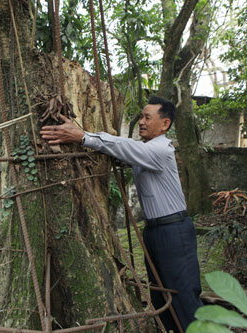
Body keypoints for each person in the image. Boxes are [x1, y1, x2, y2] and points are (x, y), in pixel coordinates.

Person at [40, 96, 203, 332]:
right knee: (160, 294)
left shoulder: (160, 150)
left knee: (183, 294)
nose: (142, 122)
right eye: (141, 117)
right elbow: (123, 152)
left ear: (165, 124)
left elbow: (124, 146)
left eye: (148, 117)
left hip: (174, 231)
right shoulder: (146, 151)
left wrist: (83, 136)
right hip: (155, 232)